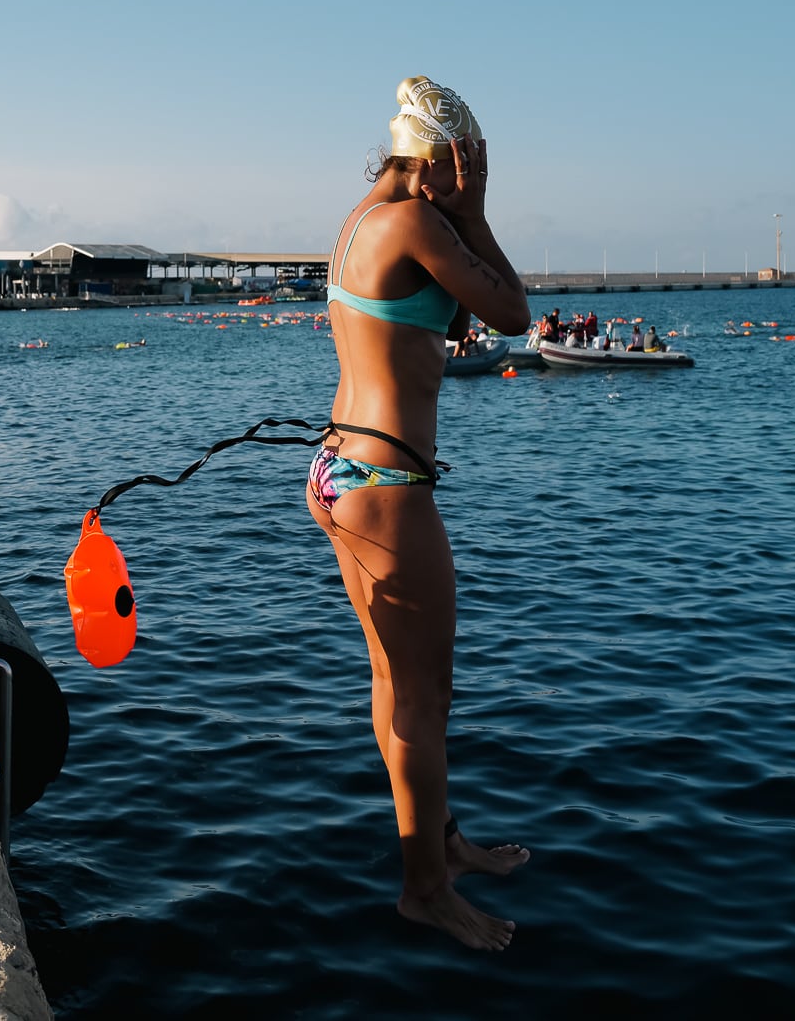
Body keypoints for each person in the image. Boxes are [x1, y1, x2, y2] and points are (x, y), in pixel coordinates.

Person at [306, 76, 533, 952]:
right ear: (440, 161)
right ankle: (426, 889)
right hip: (385, 489)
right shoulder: (418, 222)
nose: (470, 178)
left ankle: (440, 842)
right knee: (426, 697)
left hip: (340, 471)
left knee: (395, 683)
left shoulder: (362, 217)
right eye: (465, 165)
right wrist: (477, 214)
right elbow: (512, 312)